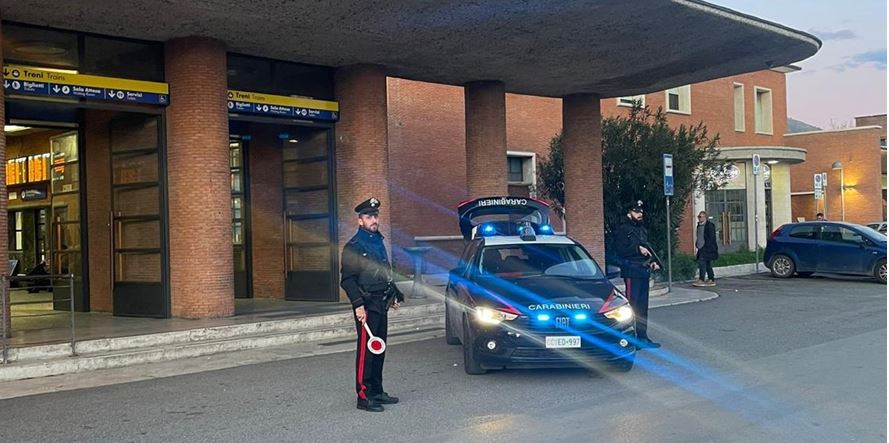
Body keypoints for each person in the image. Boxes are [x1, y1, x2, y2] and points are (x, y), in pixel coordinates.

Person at [340, 197, 404, 412]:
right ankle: (364, 396)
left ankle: (377, 391)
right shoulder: (354, 246)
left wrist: (393, 294)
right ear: (360, 220)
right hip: (366, 304)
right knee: (366, 351)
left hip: (381, 302)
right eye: (369, 216)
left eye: (375, 216)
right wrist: (358, 305)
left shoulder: (378, 241)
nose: (373, 219)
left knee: (379, 349)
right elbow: (347, 279)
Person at [612, 200, 661, 349]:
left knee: (642, 306)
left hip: (643, 271)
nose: (640, 215)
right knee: (632, 306)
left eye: (641, 212)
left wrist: (651, 261)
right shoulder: (623, 230)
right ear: (629, 213)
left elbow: (647, 249)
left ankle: (642, 337)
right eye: (636, 212)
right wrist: (636, 249)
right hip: (631, 272)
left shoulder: (642, 230)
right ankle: (630, 337)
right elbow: (620, 250)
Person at [693, 211, 719, 287]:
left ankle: (702, 279)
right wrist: (697, 244)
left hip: (707, 248)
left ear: (705, 217)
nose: (699, 218)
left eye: (700, 217)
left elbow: (711, 238)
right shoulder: (699, 226)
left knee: (702, 263)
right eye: (698, 216)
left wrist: (706, 246)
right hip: (701, 247)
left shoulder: (709, 226)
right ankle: (711, 278)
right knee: (707, 264)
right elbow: (699, 236)